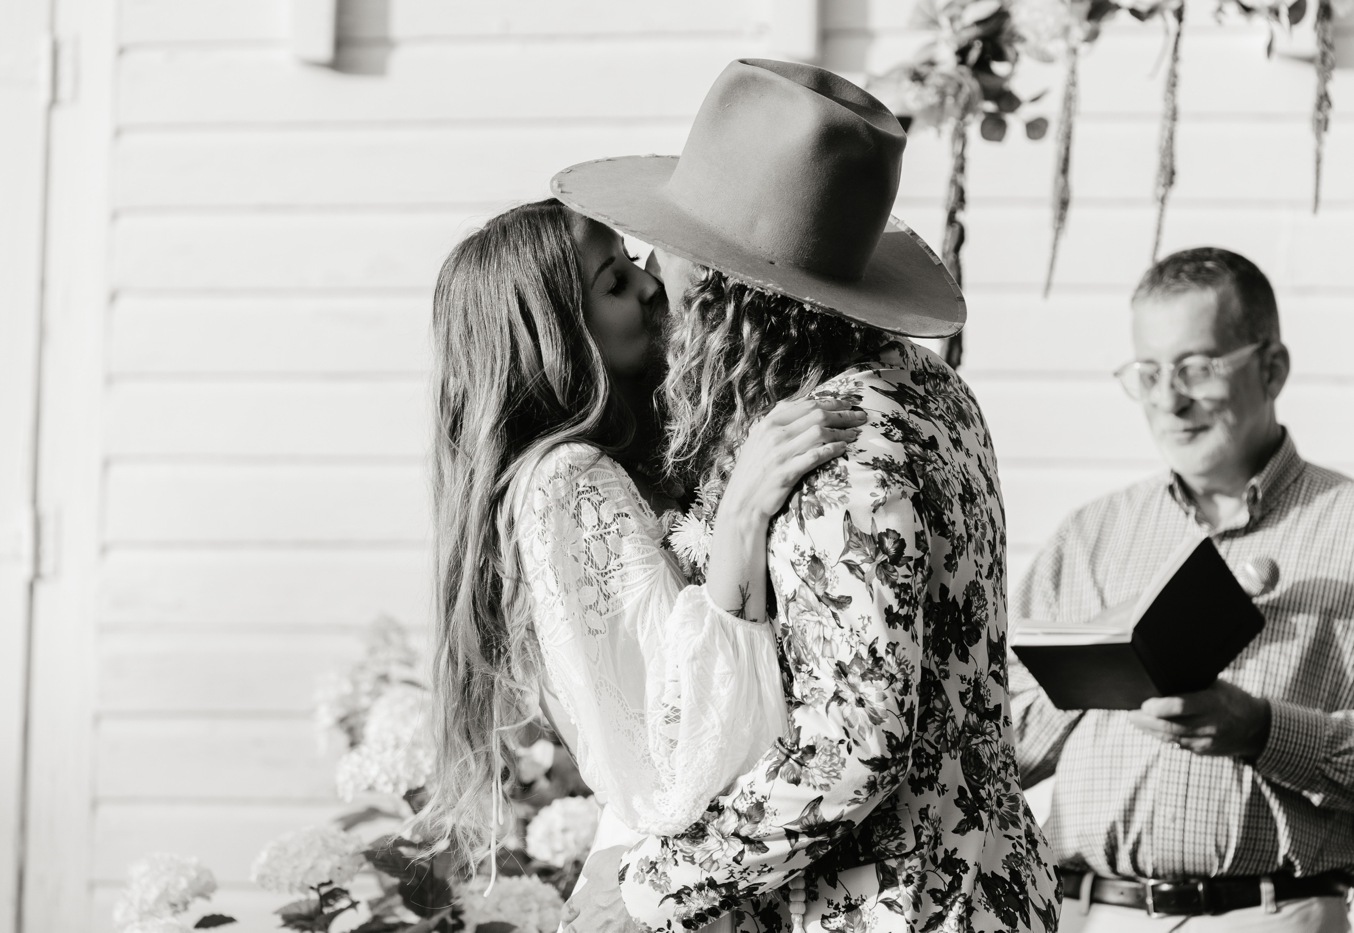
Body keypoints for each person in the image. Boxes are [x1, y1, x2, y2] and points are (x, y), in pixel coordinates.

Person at [554, 58, 1060, 933]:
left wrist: (652, 888)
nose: (650, 274)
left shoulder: (838, 450)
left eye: (664, 254)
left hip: (895, 909)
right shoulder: (925, 389)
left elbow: (856, 741)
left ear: (725, 291)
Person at [413, 198, 870, 896]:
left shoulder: (620, 463)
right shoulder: (567, 482)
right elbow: (677, 750)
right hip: (665, 888)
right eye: (614, 283)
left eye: (630, 259)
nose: (650, 284)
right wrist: (744, 512)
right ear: (559, 335)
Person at [1009, 247, 1354, 932]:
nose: (1170, 399)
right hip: (1090, 914)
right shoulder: (1090, 536)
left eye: (1198, 367)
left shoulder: (1347, 529)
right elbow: (992, 754)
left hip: (1267, 916)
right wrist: (1095, 665)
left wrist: (1263, 729)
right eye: (1150, 372)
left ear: (1272, 367)